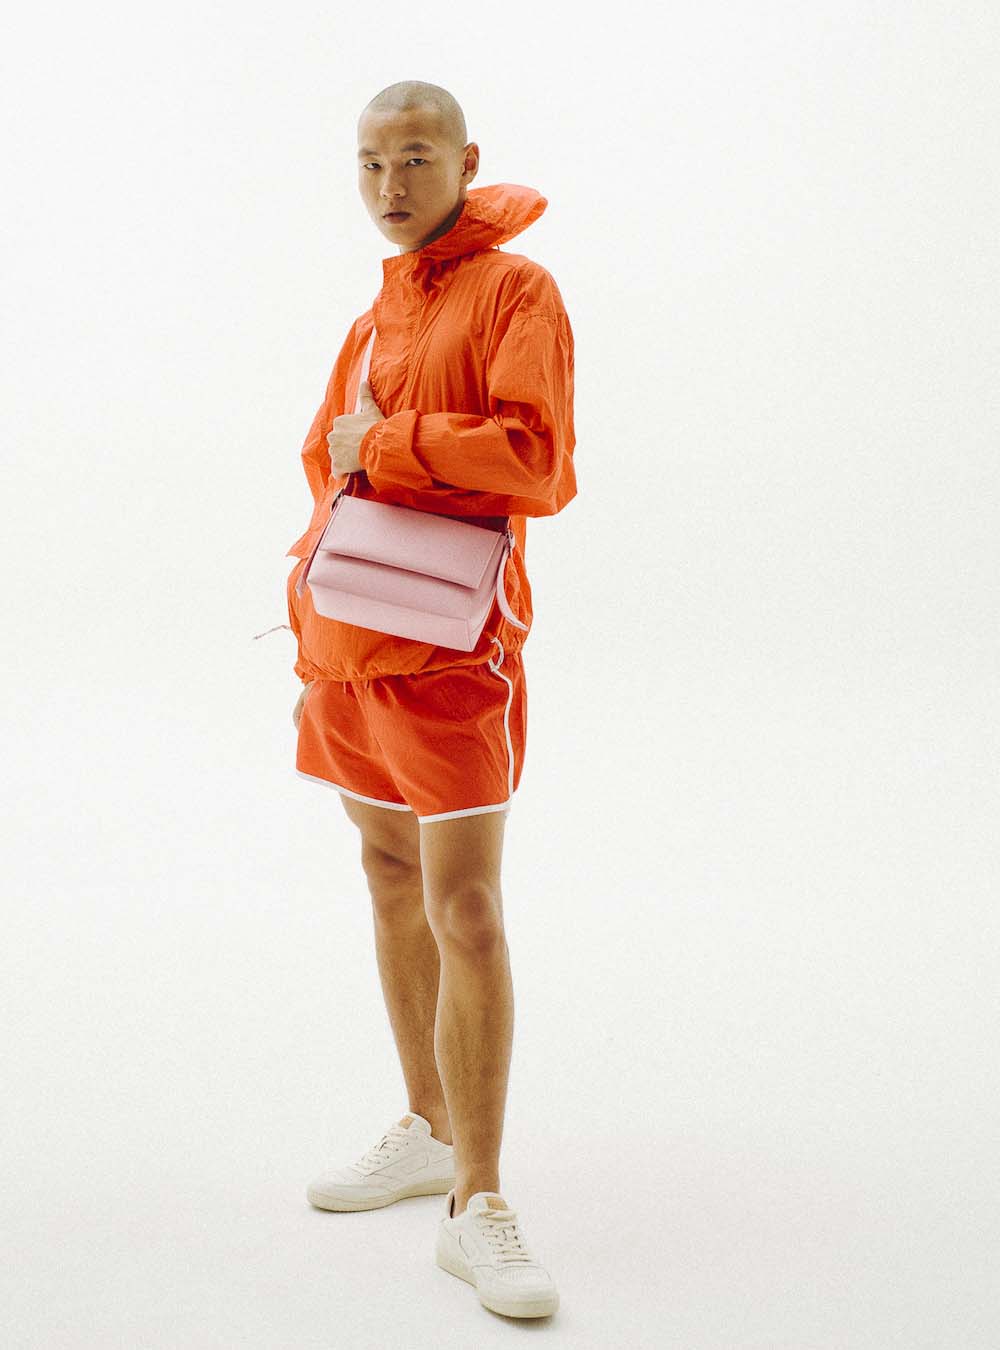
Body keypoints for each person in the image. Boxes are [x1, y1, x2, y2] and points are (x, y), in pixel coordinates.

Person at [286, 80, 576, 1319]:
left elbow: (536, 461)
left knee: (466, 908)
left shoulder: (518, 291)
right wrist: (314, 632)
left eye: (413, 158)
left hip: (455, 657)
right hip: (348, 646)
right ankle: (427, 1126)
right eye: (369, 163)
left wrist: (388, 446)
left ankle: (480, 1202)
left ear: (465, 161)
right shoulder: (375, 311)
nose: (389, 185)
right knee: (389, 872)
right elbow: (324, 466)